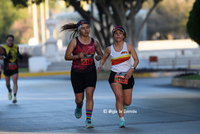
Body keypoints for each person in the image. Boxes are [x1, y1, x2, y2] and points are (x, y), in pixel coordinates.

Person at [61, 20, 103, 128]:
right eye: (83, 28)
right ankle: (78, 106)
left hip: (90, 72)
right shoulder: (74, 42)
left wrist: (99, 57)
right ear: (79, 30)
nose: (86, 30)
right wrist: (77, 56)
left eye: (87, 27)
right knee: (79, 99)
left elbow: (100, 54)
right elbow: (66, 56)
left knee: (90, 95)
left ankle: (88, 120)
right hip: (77, 73)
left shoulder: (95, 42)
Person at [98, 26, 139, 128]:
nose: (118, 35)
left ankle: (124, 105)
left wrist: (132, 69)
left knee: (127, 102)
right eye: (116, 33)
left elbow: (136, 60)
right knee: (119, 97)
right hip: (115, 75)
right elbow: (104, 58)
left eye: (120, 33)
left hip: (127, 75)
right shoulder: (109, 49)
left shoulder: (129, 47)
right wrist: (101, 64)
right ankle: (122, 120)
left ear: (123, 36)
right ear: (113, 36)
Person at [1, 35, 23, 103]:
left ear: (13, 40)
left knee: (15, 80)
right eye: (9, 40)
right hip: (7, 67)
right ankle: (9, 90)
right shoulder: (3, 47)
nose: (10, 42)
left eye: (11, 40)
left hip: (14, 66)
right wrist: (6, 57)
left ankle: (15, 96)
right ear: (6, 40)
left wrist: (19, 55)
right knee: (7, 84)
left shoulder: (16, 46)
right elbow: (1, 56)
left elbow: (18, 54)